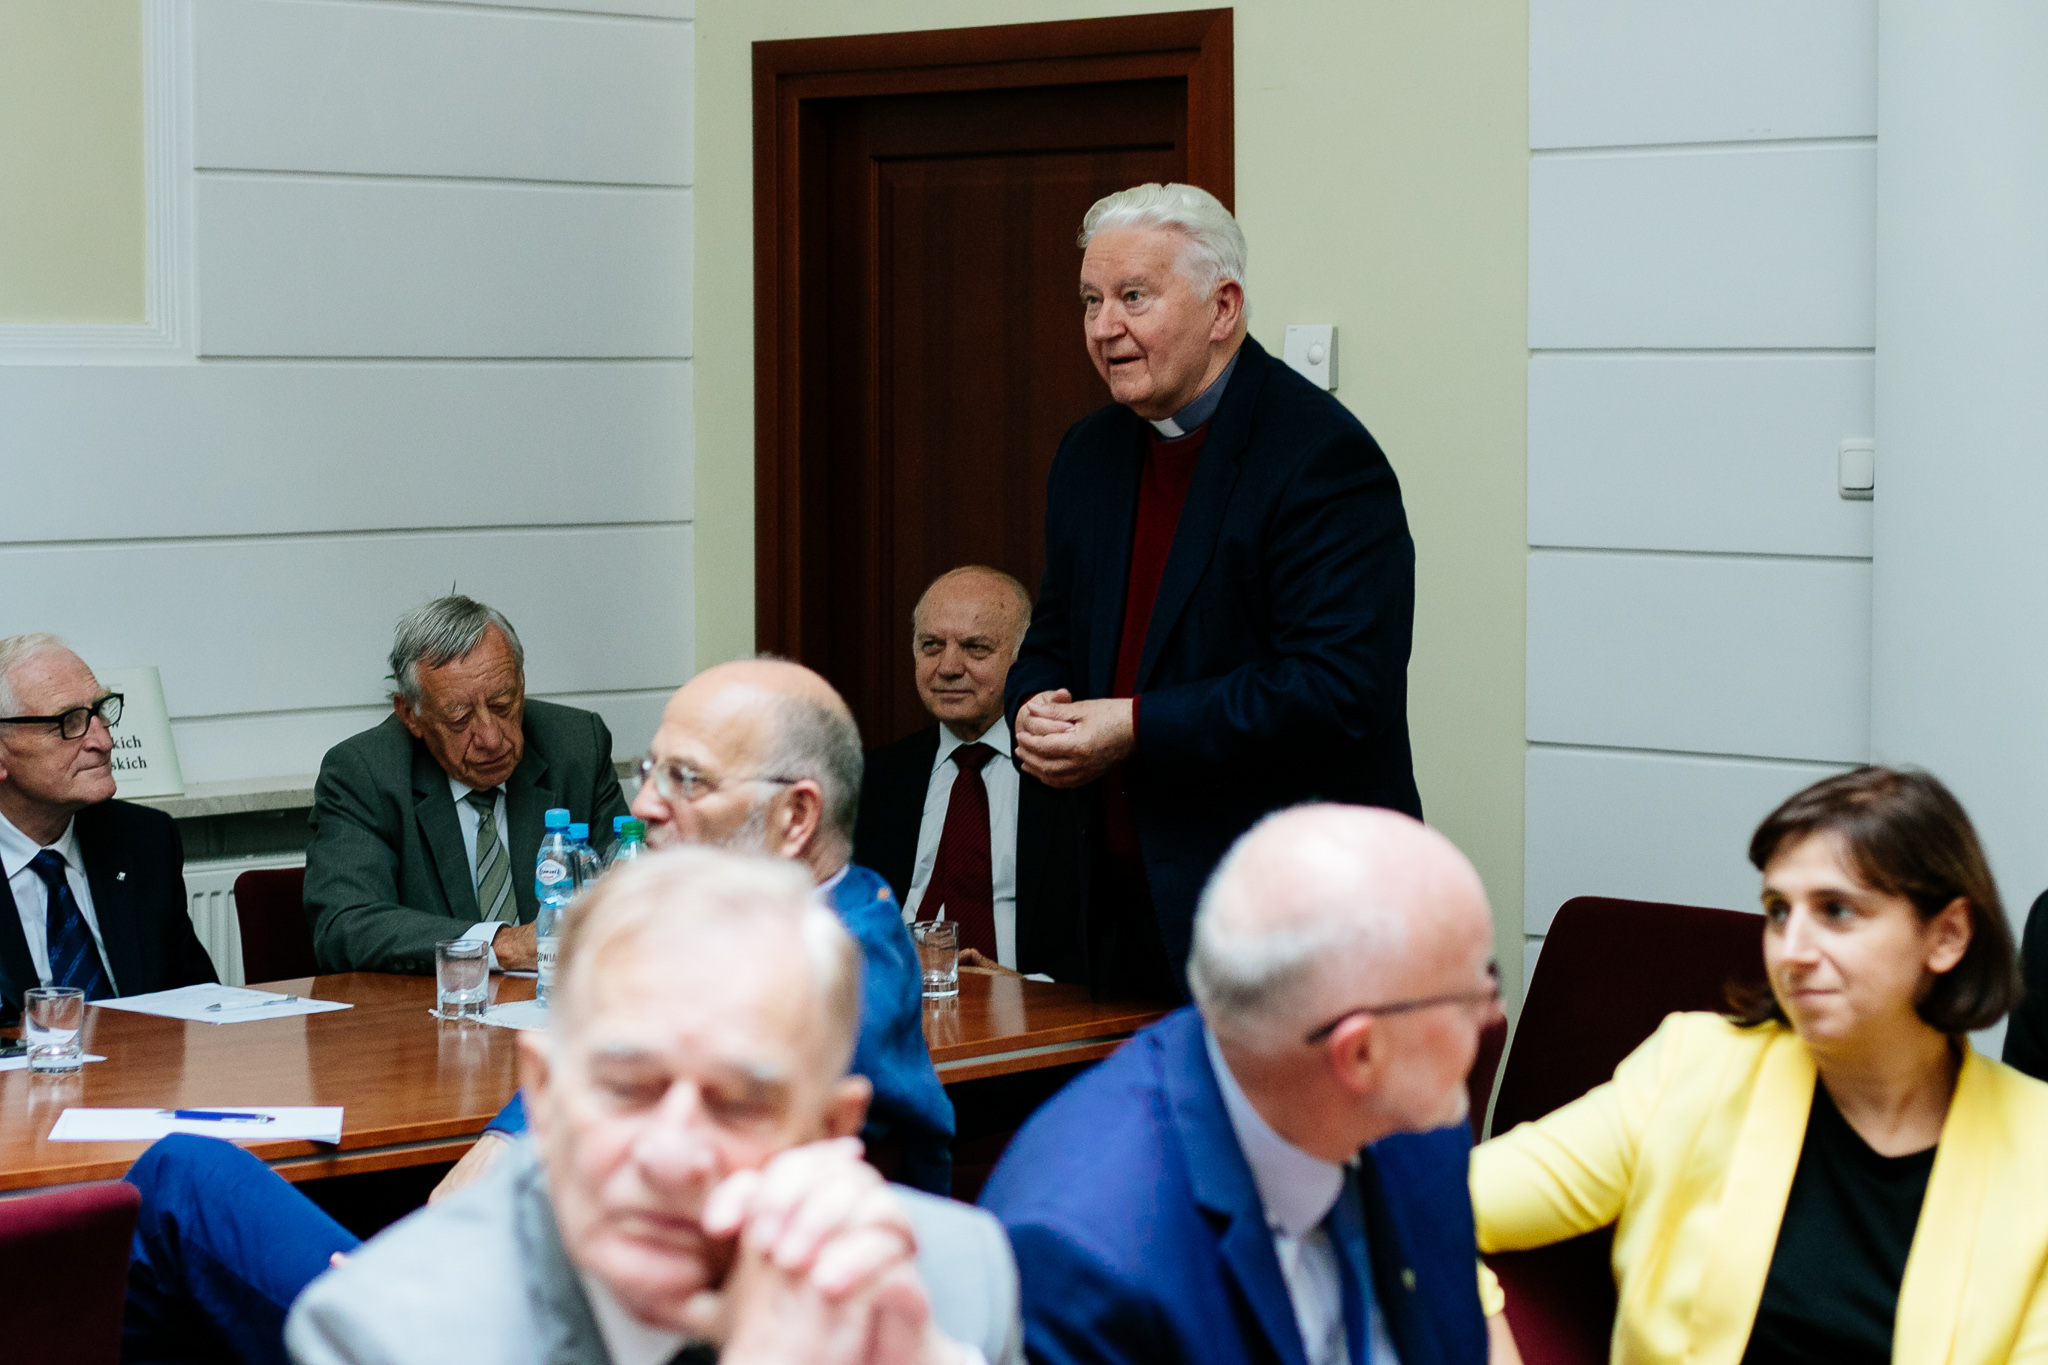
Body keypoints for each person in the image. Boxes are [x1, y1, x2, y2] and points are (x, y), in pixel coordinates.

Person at [278, 848, 1021, 1365]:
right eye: (628, 1087)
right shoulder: (387, 1334)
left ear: (830, 1128)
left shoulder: (954, 1282)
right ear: (545, 1093)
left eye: (737, 1103)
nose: (671, 1156)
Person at [1472, 767, 2048, 1364]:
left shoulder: (2037, 1146)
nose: (1791, 951)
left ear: (1947, 935)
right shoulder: (1695, 1068)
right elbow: (1432, 1204)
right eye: (1778, 911)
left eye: (1836, 911)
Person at [1006, 182, 1419, 1001]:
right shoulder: (1089, 452)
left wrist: (1134, 725)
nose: (1104, 327)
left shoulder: (1319, 457)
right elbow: (1054, 630)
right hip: (1113, 918)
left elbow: (1340, 691)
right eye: (1090, 300)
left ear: (1222, 308)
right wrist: (1032, 703)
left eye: (1134, 297)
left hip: (1282, 918)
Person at [980, 804, 1504, 1365]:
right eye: (1473, 992)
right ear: (1360, 1054)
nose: (1493, 1013)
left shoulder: (1415, 1125)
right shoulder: (1087, 1259)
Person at [463, 659, 955, 1197]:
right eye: (650, 770)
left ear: (794, 817)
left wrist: (514, 1137)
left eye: (685, 779)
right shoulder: (745, 920)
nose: (645, 805)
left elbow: (645, 1083)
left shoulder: (843, 961)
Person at [303, 595, 629, 975]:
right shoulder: (365, 773)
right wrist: (501, 945)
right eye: (459, 718)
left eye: (503, 704)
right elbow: (345, 924)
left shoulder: (577, 747)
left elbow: (632, 893)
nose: (491, 737)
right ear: (410, 715)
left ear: (521, 684)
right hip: (430, 1008)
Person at [855, 566, 1084, 981]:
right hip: (896, 995)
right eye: (931, 646)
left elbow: (1110, 934)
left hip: (1033, 1002)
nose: (948, 667)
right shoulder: (876, 777)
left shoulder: (1071, 770)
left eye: (975, 648)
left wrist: (1029, 990)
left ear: (1024, 659)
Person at [0, 633, 215, 1015]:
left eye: (101, 712)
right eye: (69, 722)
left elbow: (199, 1001)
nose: (103, 740)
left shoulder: (144, 840)